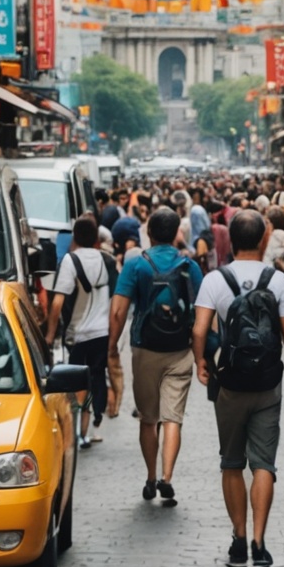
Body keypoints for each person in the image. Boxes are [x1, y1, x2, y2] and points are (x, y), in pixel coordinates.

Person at [192, 210, 284, 567]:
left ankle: (239, 540)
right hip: (267, 383)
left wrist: (201, 362)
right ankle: (260, 544)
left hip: (229, 381)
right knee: (263, 464)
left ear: (231, 239)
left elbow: (199, 330)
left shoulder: (215, 279)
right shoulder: (277, 280)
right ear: (263, 239)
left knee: (231, 462)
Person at [110, 207, 202, 506]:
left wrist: (111, 346)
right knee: (173, 417)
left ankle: (150, 477)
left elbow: (119, 311)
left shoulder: (136, 264)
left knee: (149, 419)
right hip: (180, 350)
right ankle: (167, 477)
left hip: (144, 349)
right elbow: (203, 313)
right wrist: (202, 355)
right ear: (177, 233)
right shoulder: (190, 266)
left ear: (148, 232)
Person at [48, 215, 117, 442]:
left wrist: (49, 335)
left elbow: (57, 303)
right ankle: (91, 425)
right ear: (96, 238)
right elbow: (116, 299)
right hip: (102, 332)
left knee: (77, 381)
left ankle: (78, 430)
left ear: (74, 237)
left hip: (77, 334)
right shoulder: (107, 260)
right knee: (96, 376)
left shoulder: (70, 261)